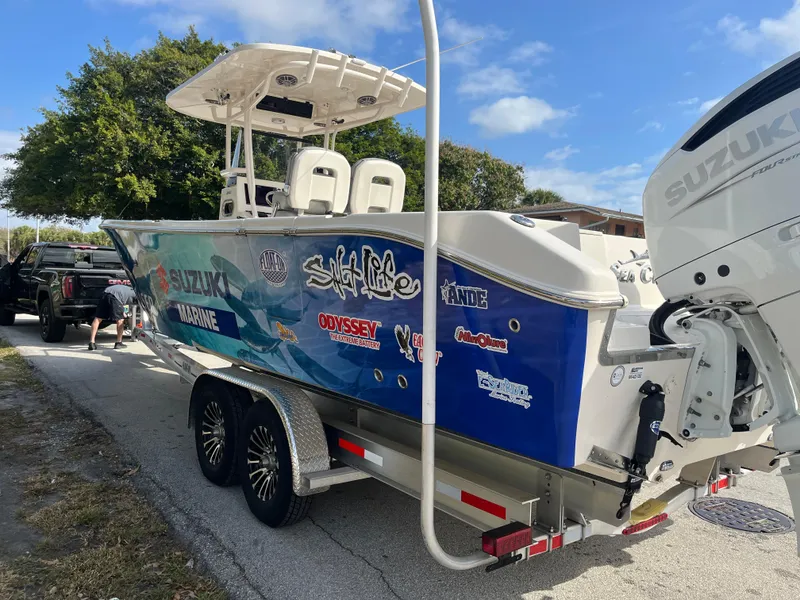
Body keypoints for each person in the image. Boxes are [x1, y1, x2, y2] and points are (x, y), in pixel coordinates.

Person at [88, 284, 136, 350]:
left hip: (105, 293)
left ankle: (92, 342)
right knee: (120, 320)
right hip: (115, 297)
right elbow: (126, 305)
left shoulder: (128, 289)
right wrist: (125, 313)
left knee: (98, 318)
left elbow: (124, 304)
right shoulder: (136, 295)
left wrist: (124, 311)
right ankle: (119, 343)